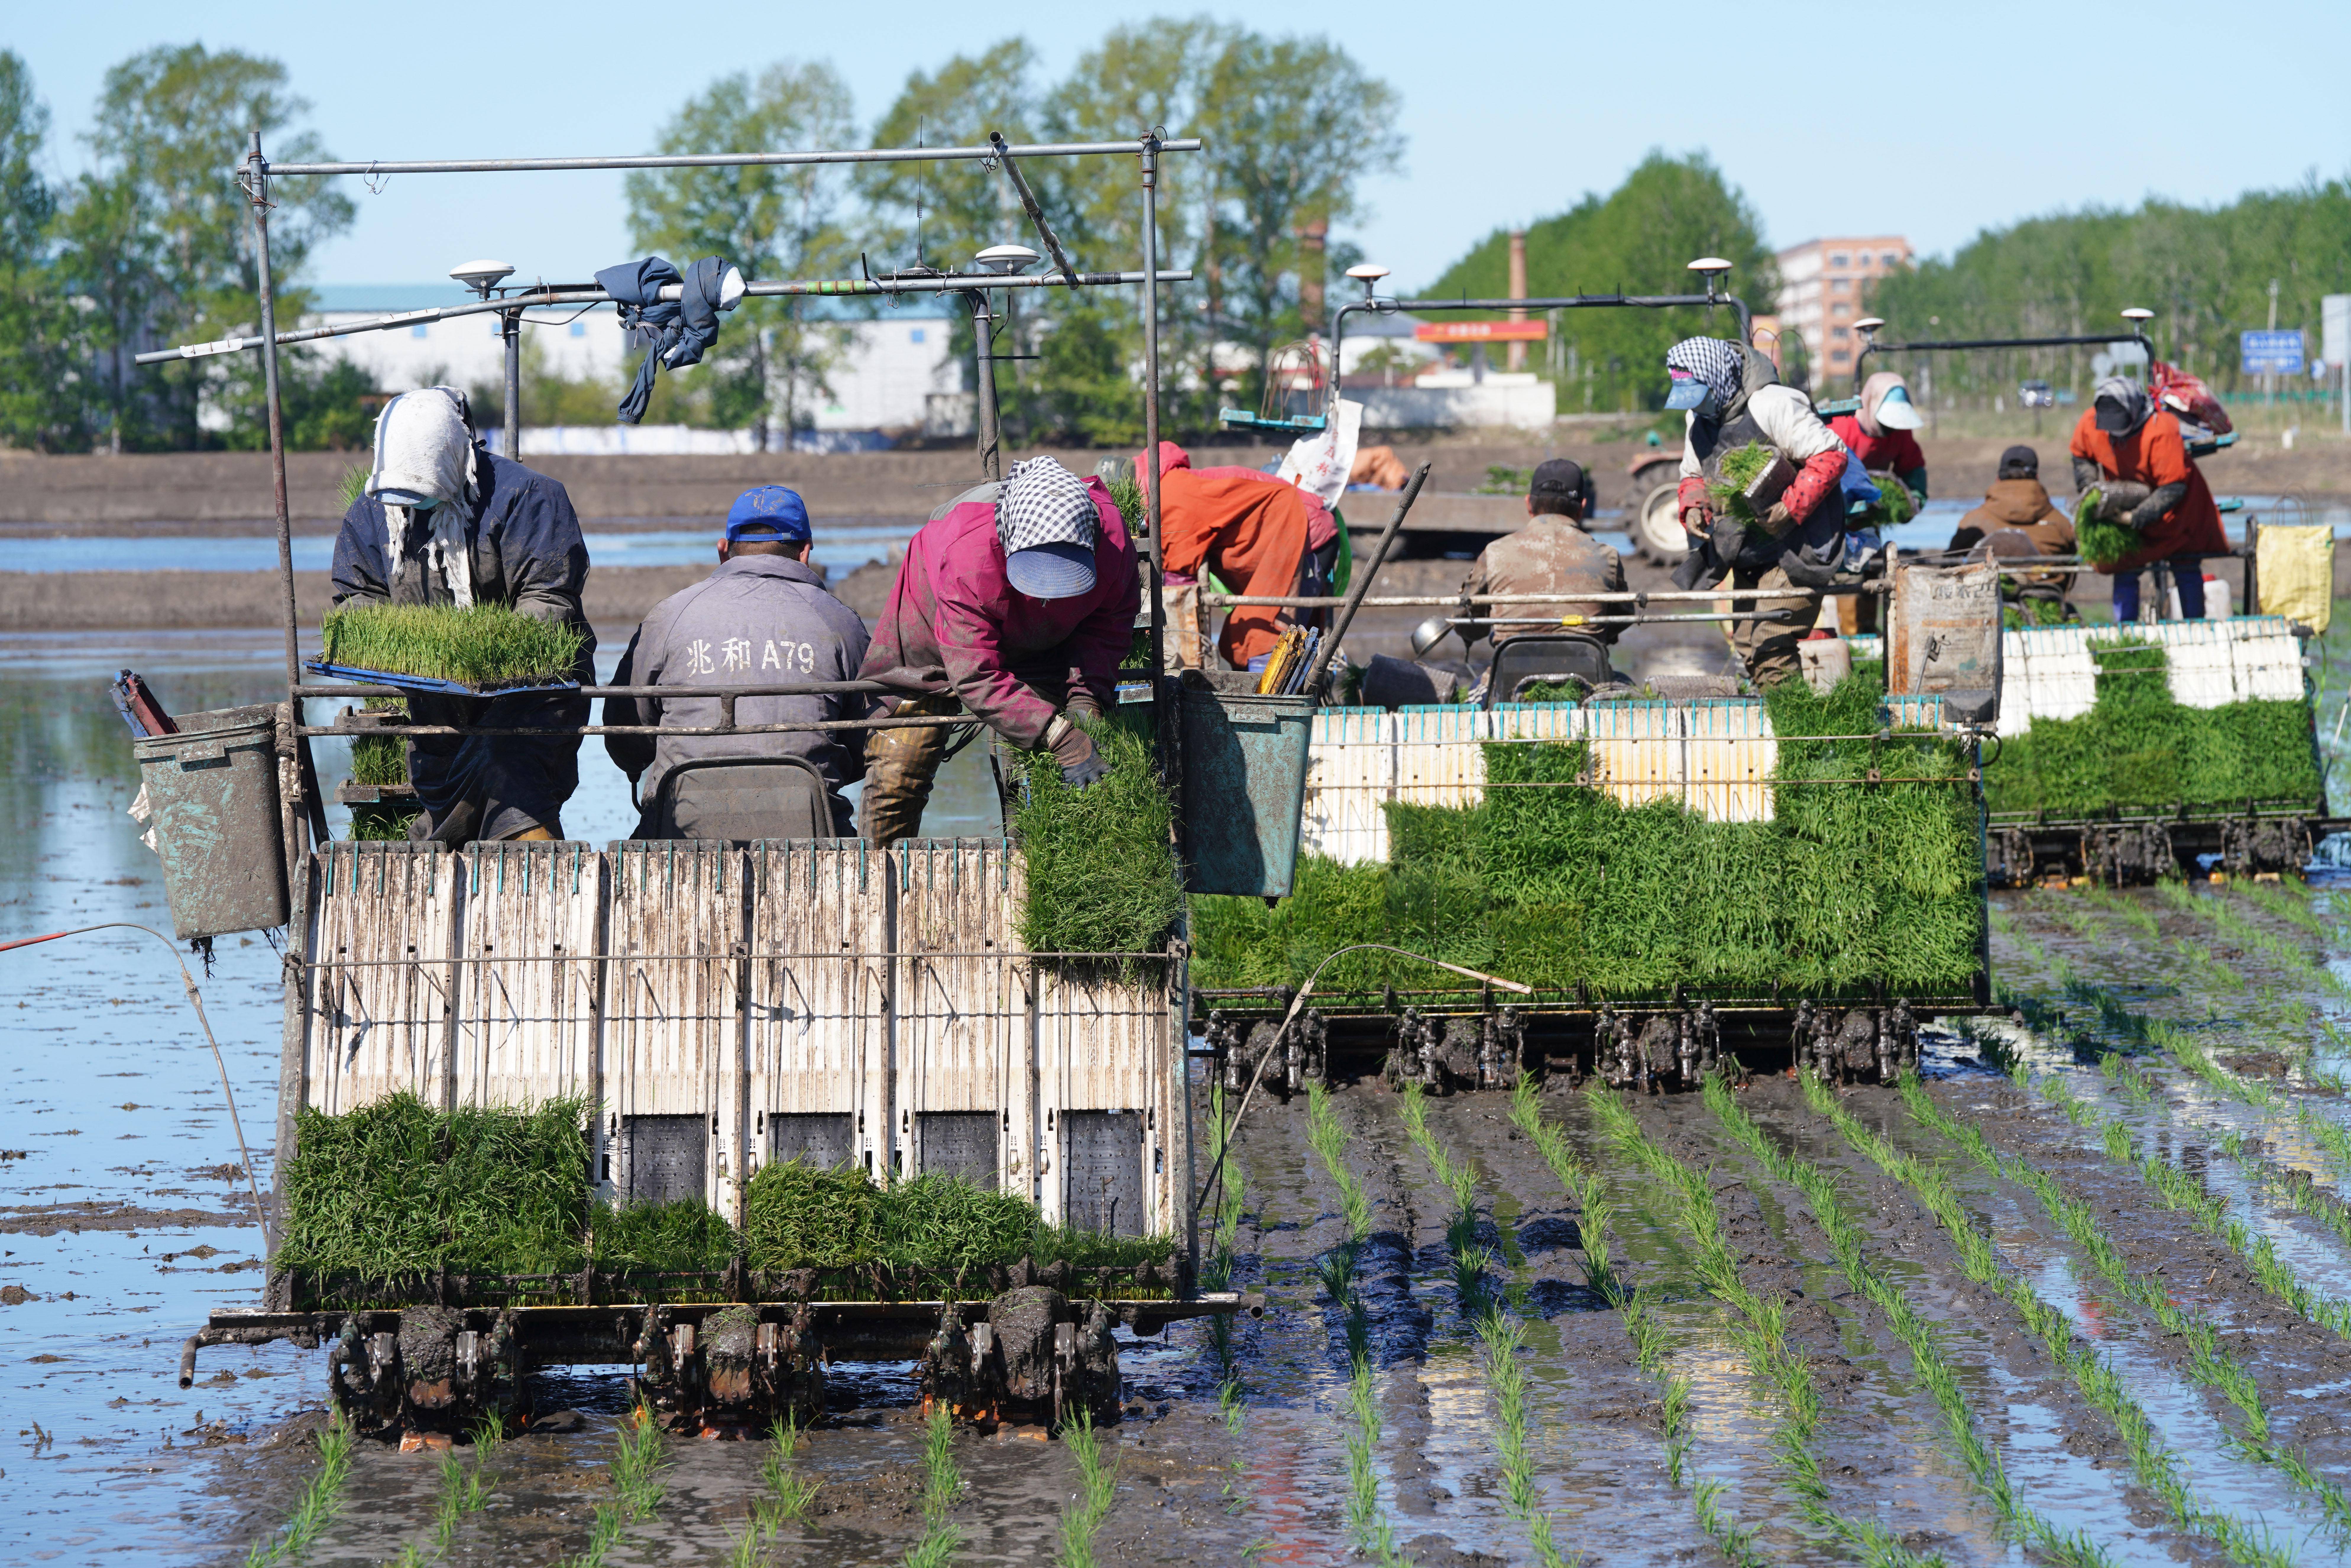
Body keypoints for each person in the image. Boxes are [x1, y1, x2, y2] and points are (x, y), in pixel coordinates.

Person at [330, 386, 590, 843]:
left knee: (514, 787)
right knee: (446, 805)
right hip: (435, 703)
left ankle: (541, 893)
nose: (410, 506)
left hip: (533, 700)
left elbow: (550, 599)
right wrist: (415, 651)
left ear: (457, 458)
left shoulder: (527, 498)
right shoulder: (373, 513)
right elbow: (357, 597)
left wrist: (481, 659)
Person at [857, 455, 1139, 846]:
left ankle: (1032, 865)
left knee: (1036, 778)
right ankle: (875, 870)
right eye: (1038, 579)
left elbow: (1107, 629)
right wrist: (1058, 734)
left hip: (1044, 641)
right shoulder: (966, 558)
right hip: (933, 624)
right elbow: (975, 674)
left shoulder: (1113, 543)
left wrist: (1085, 697)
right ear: (1008, 545)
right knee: (900, 769)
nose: (1046, 595)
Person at [602, 486, 872, 838]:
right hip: (812, 825)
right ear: (805, 552)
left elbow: (626, 734)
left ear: (723, 550)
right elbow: (868, 738)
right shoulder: (841, 621)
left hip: (678, 827)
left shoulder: (667, 616)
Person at [1666, 336, 1848, 687]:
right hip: (1749, 549)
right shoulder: (1698, 422)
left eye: (1700, 395)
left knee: (1771, 640)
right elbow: (1692, 475)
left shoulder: (1772, 405)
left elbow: (1830, 455)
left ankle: (1796, 736)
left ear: (1717, 379)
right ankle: (1780, 728)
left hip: (1799, 545)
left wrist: (1790, 506)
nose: (1698, 406)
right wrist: (1693, 506)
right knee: (1749, 646)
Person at [1141, 441, 1338, 670]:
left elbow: (1179, 570)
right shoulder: (1179, 486)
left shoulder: (1172, 493)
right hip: (1288, 532)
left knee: (1264, 636)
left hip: (1302, 534)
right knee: (1244, 639)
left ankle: (1272, 705)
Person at [2069, 376, 2227, 621]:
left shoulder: (2160, 429)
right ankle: (2126, 633)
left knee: (2185, 566)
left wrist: (2136, 517)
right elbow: (2081, 455)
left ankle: (2195, 630)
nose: (2113, 433)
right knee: (2126, 567)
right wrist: (2091, 488)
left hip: (2176, 509)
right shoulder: (2091, 422)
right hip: (2125, 496)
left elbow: (2173, 487)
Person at [1458, 458, 1626, 649]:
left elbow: (1468, 623)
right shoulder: (1608, 556)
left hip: (1510, 675)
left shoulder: (1496, 553)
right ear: (1582, 507)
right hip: (1588, 673)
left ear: (1529, 504)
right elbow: (1621, 617)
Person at [1949, 446, 2078, 619]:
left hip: (1984, 611)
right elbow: (2070, 572)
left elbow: (1949, 565)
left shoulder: (1973, 522)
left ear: (1998, 479)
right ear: (2037, 478)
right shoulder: (2061, 523)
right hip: (2046, 608)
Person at [1826, 371, 1930, 500]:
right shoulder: (1839, 430)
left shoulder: (1900, 432)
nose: (1892, 428)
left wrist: (1915, 497)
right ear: (1872, 405)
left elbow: (1911, 466)